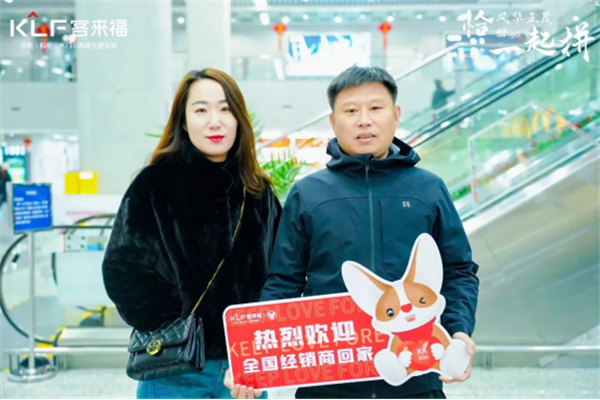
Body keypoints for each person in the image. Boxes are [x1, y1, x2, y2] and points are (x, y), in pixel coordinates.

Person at [226, 66, 479, 399]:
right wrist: (254, 361)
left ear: (395, 115)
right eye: (350, 111)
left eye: (375, 108)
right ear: (333, 121)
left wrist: (458, 330)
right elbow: (284, 282)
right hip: (329, 382)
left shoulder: (428, 189)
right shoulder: (309, 194)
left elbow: (459, 270)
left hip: (416, 379)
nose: (364, 120)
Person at [102, 68, 281, 399]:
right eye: (201, 110)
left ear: (239, 119)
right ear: (183, 122)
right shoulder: (154, 184)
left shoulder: (258, 192)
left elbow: (279, 275)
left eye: (225, 109)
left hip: (244, 371)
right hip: (174, 367)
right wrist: (177, 325)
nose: (215, 121)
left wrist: (257, 346)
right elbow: (121, 269)